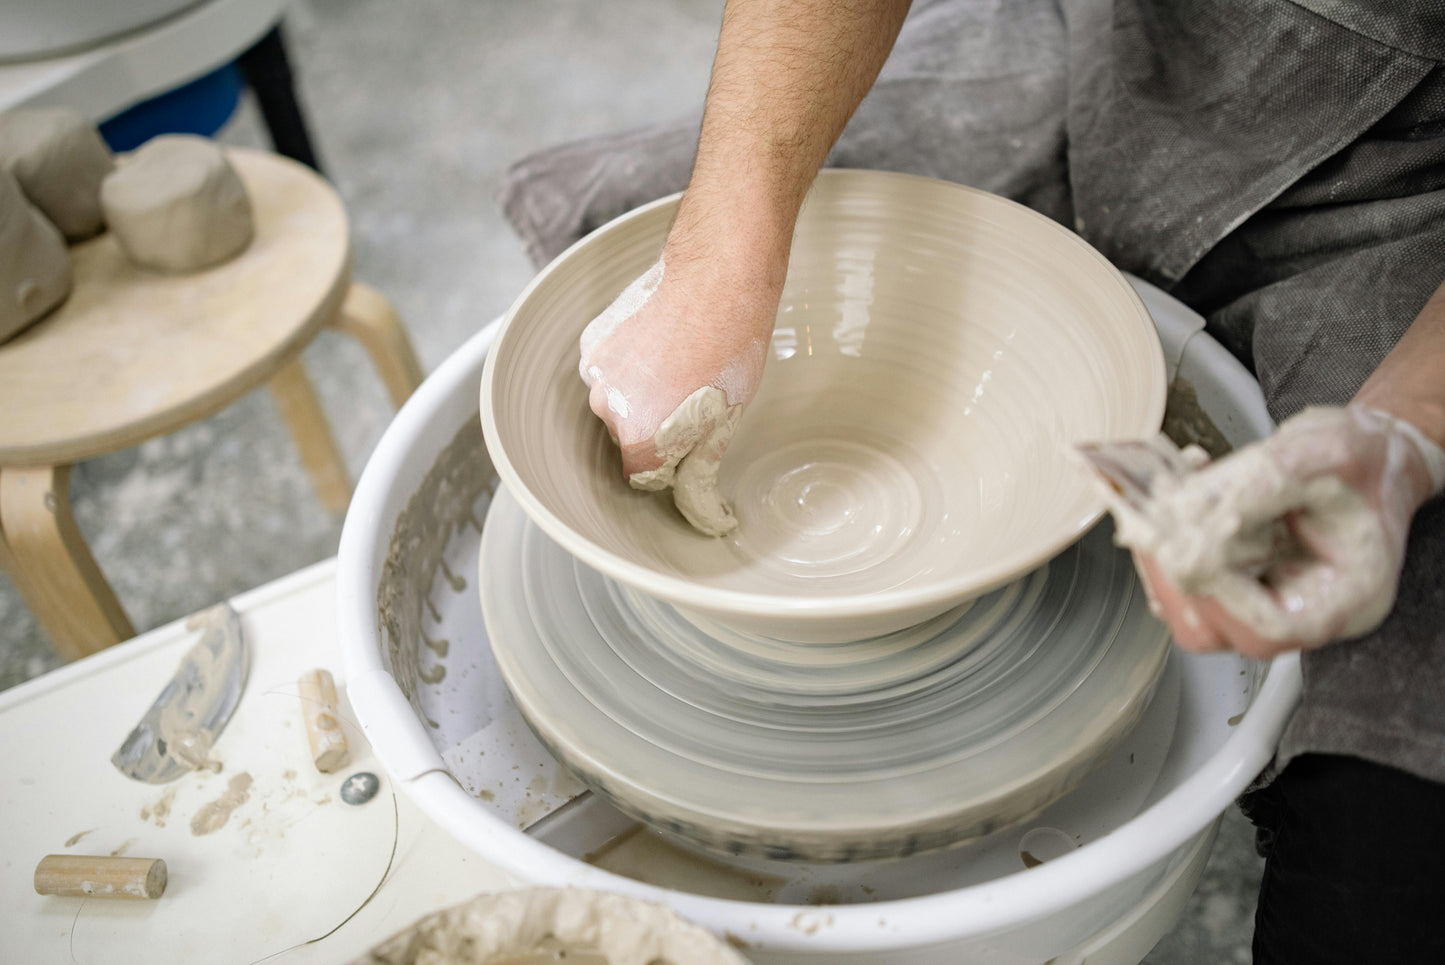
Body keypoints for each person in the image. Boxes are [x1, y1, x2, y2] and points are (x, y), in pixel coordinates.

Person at [506, 1, 1445, 960]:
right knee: (623, 217)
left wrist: (1409, 430)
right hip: (1143, 49)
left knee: (1382, 873)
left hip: (1413, 204)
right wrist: (718, 260)